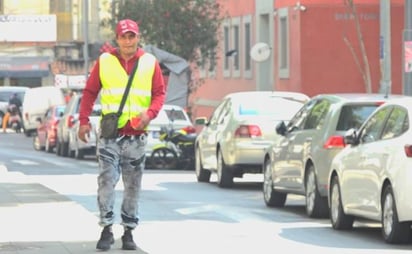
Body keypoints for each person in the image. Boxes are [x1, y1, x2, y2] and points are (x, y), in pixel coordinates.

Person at [77, 19, 165, 251]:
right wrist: (83, 121)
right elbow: (89, 92)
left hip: (136, 135)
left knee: (133, 185)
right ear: (117, 39)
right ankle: (106, 228)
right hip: (110, 135)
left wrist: (149, 113)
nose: (128, 41)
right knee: (106, 181)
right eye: (124, 36)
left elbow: (159, 93)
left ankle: (128, 231)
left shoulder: (149, 62)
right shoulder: (104, 62)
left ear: (138, 37)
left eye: (132, 36)